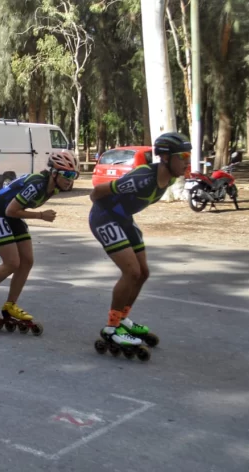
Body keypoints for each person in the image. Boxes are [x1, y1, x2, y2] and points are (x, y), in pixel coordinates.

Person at [89, 132, 191, 361]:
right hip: (105, 217)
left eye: (189, 156)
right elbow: (96, 193)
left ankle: (123, 319)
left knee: (143, 273)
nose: (187, 161)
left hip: (124, 218)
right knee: (131, 271)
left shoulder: (172, 178)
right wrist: (108, 212)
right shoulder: (142, 177)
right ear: (165, 157)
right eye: (183, 156)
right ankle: (112, 328)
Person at [0, 152, 79, 333]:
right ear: (54, 173)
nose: (70, 180)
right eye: (67, 175)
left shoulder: (53, 187)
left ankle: (10, 305)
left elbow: (14, 199)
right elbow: (11, 210)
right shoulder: (38, 185)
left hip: (11, 213)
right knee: (12, 263)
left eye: (73, 176)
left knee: (27, 261)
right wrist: (40, 215)